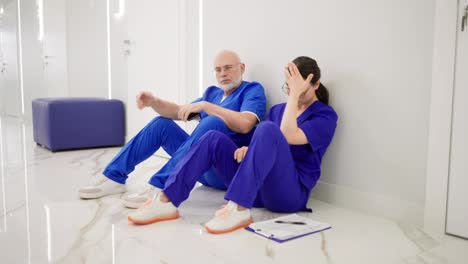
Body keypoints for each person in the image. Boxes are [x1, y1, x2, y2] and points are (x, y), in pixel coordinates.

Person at [127, 56, 338, 234]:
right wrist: (251, 150)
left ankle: (238, 208)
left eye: (298, 89)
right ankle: (167, 200)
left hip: (288, 195)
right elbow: (267, 144)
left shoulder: (325, 116)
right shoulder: (278, 110)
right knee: (212, 137)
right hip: (258, 188)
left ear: (316, 85)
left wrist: (293, 95)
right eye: (289, 88)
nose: (293, 93)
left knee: (267, 129)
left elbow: (287, 135)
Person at [78, 50, 267, 208]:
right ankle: (114, 177)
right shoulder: (212, 94)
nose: (223, 74)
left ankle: (163, 186)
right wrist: (154, 101)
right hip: (199, 166)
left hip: (225, 170)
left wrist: (207, 107)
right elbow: (178, 111)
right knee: (161, 124)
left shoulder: (252, 90)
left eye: (228, 68)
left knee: (213, 123)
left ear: (241, 68)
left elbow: (245, 124)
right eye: (218, 70)